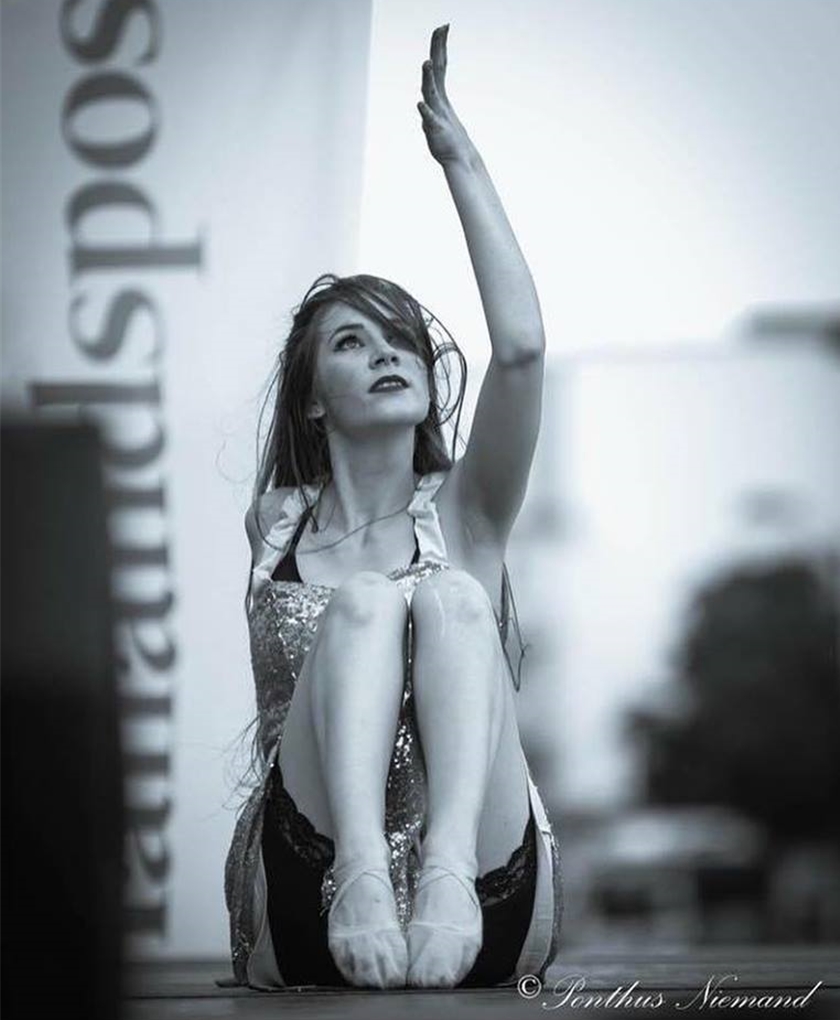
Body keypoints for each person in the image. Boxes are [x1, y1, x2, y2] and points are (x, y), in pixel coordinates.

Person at [225, 24, 561, 990]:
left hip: (485, 886)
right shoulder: (277, 525)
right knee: (368, 603)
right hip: (311, 881)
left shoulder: (468, 515)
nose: (385, 352)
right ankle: (365, 874)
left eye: (400, 338)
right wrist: (351, 869)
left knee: (449, 596)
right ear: (311, 399)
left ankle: (445, 871)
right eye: (351, 342)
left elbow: (522, 351)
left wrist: (461, 162)